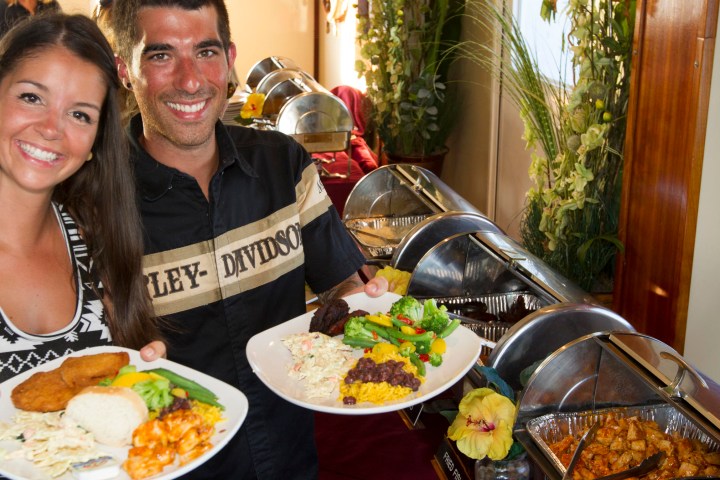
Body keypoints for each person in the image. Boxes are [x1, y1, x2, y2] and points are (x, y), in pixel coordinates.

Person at [106, 0, 387, 478]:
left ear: (230, 57)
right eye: (161, 56)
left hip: (291, 455)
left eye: (206, 52)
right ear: (125, 70)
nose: (190, 80)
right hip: (171, 464)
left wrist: (374, 309)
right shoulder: (95, 206)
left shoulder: (285, 165)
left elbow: (343, 288)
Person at [0, 12, 166, 383]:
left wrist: (143, 375)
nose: (50, 129)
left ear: (95, 142)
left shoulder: (95, 239)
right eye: (31, 97)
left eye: (79, 114)